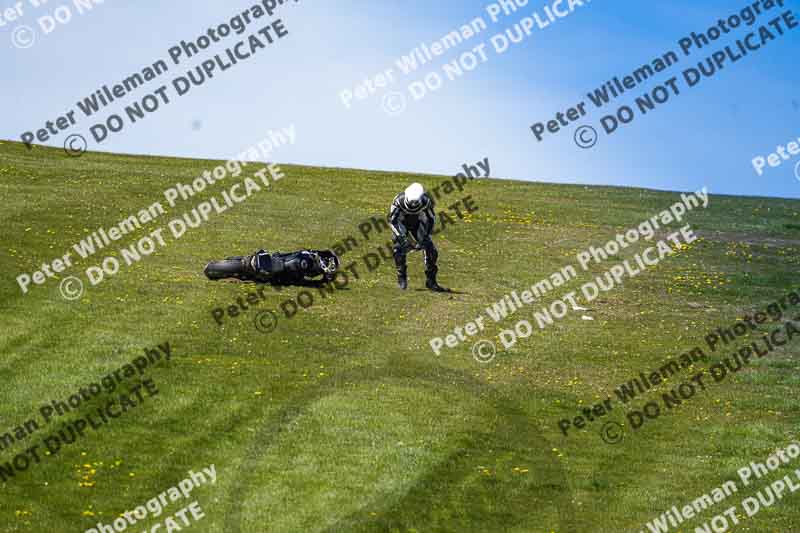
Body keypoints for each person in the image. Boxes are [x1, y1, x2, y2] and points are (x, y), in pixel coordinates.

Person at [388, 182, 446, 291]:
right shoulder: (398, 200)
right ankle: (402, 276)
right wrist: (401, 237)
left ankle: (431, 281)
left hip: (418, 223)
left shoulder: (426, 201)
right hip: (401, 223)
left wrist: (425, 236)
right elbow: (392, 221)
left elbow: (431, 219)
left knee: (431, 250)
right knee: (398, 248)